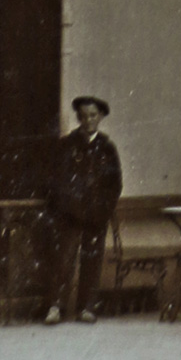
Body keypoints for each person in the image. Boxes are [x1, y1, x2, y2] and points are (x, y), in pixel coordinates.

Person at [42, 94, 122, 325]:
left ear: (101, 117)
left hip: (96, 215)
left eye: (93, 116)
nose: (88, 120)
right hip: (70, 215)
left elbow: (114, 184)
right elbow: (57, 179)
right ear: (78, 117)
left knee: (93, 259)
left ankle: (87, 307)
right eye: (84, 116)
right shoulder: (66, 145)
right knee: (64, 260)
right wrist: (67, 206)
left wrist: (104, 209)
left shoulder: (107, 148)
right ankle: (55, 306)